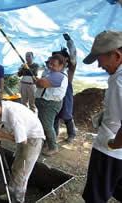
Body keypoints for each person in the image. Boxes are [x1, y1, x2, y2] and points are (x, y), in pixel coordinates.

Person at [0, 95, 45, 203]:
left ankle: (18, 200)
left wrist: (2, 135)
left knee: (21, 174)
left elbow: (22, 141)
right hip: (25, 136)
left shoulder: (14, 116)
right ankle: (11, 193)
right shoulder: (2, 106)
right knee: (15, 168)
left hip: (33, 140)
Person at [82, 30, 122, 203]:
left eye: (100, 59)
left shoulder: (120, 80)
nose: (99, 66)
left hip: (110, 153)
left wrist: (113, 144)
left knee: (95, 197)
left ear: (117, 55)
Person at [35, 54, 68, 156]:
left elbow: (42, 84)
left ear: (61, 66)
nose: (51, 66)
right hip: (45, 102)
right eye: (50, 64)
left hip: (50, 104)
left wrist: (37, 81)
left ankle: (53, 147)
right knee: (43, 125)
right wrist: (38, 81)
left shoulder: (59, 75)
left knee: (47, 126)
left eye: (54, 65)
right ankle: (45, 143)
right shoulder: (52, 73)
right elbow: (41, 82)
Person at [53, 33, 77, 143]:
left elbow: (73, 57)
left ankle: (72, 134)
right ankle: (54, 135)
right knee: (55, 115)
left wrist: (70, 43)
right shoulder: (54, 69)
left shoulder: (69, 70)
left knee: (67, 115)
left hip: (66, 96)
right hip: (56, 95)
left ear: (65, 59)